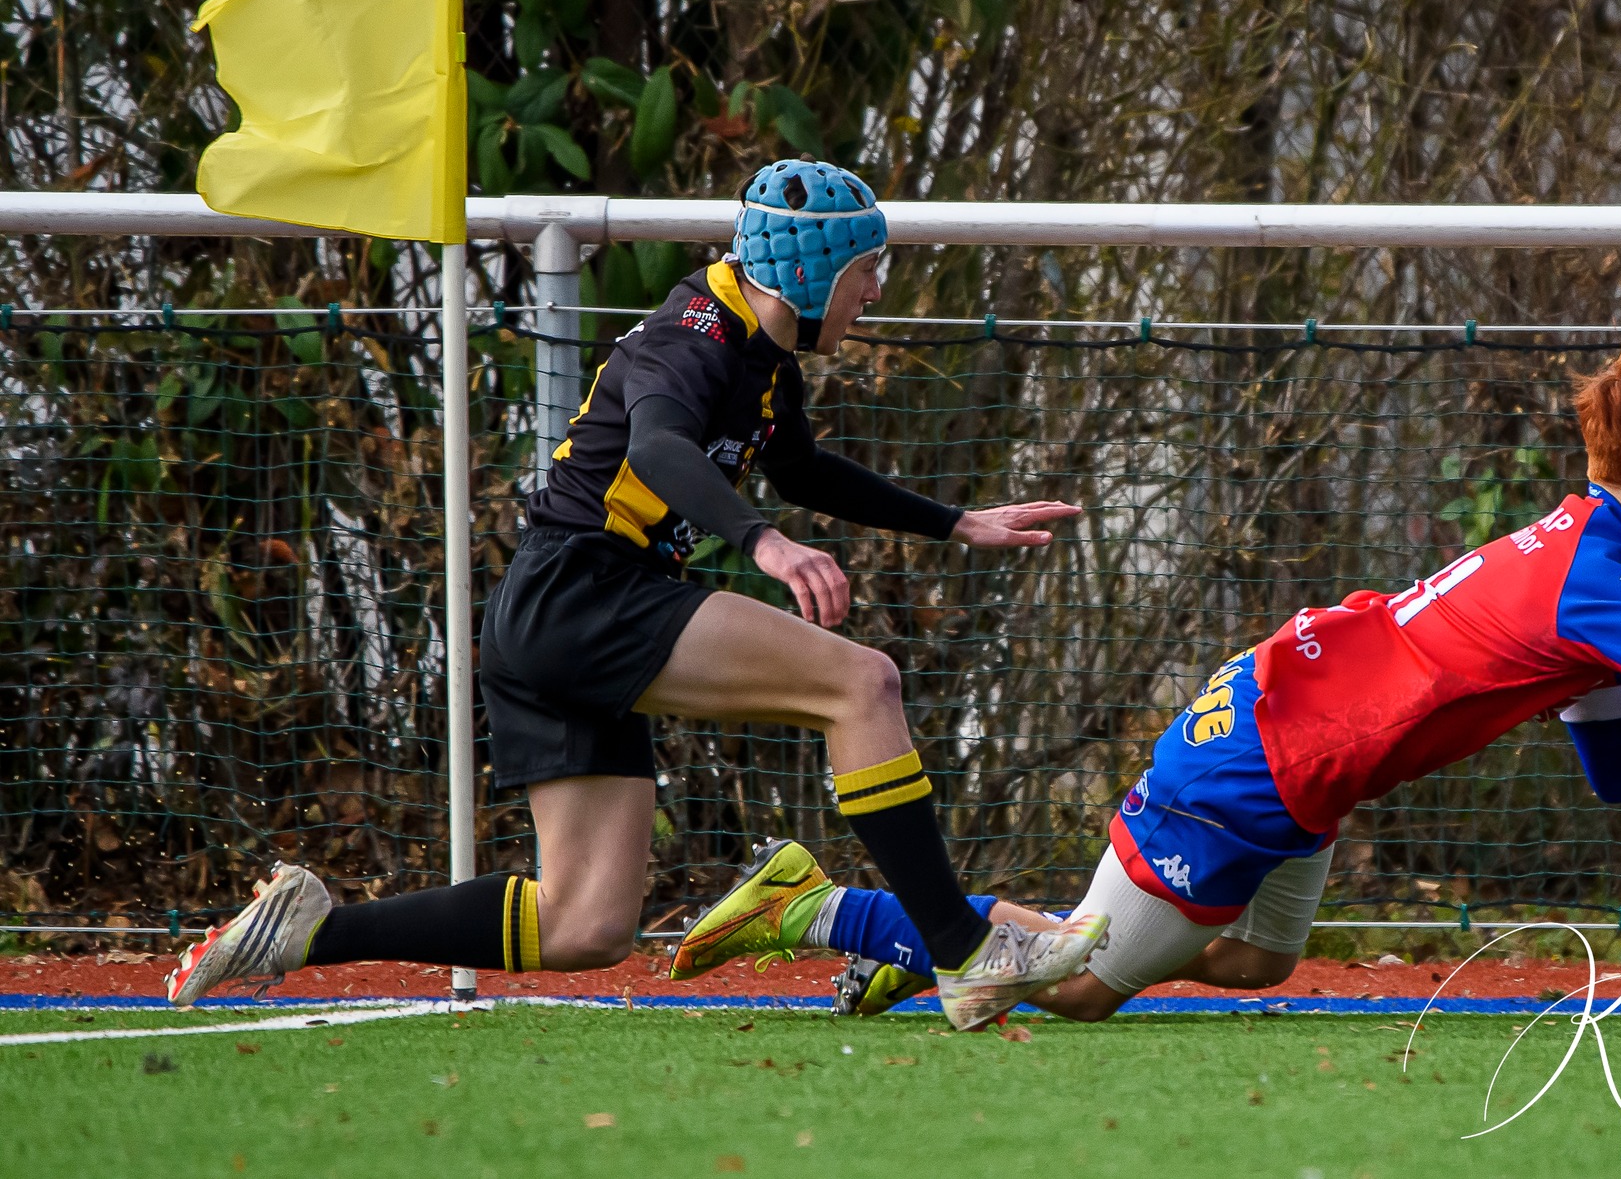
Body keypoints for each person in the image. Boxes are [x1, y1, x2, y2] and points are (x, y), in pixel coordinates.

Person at [668, 343, 1621, 1021]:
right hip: (1266, 752)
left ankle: (944, 942)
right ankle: (817, 906)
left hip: (1305, 742)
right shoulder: (1604, 583)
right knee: (1085, 985)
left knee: (1253, 962)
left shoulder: (1589, 565)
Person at [165, 159, 1107, 1031]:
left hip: (553, 614)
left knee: (585, 925)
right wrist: (762, 541)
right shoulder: (692, 337)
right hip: (584, 589)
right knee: (862, 686)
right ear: (811, 268)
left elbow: (804, 469)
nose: (875, 291)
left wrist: (958, 521)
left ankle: (311, 931)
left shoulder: (760, 353)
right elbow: (659, 448)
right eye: (867, 268)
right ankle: (962, 951)